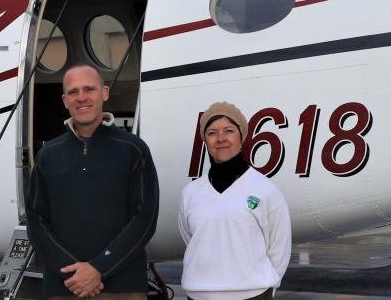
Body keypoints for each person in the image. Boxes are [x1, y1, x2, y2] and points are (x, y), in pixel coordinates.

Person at [26, 64, 160, 299]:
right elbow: (36, 222)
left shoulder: (133, 150)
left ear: (104, 93)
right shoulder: (48, 154)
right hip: (65, 288)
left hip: (123, 290)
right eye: (73, 92)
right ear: (65, 100)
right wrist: (74, 274)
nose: (81, 98)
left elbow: (144, 220)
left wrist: (99, 268)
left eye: (89, 89)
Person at [178, 102, 291, 300]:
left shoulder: (265, 190)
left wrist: (265, 287)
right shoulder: (191, 193)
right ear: (205, 139)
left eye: (229, 130)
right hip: (199, 295)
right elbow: (192, 240)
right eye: (212, 132)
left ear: (242, 136)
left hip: (253, 294)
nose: (221, 139)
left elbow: (279, 247)